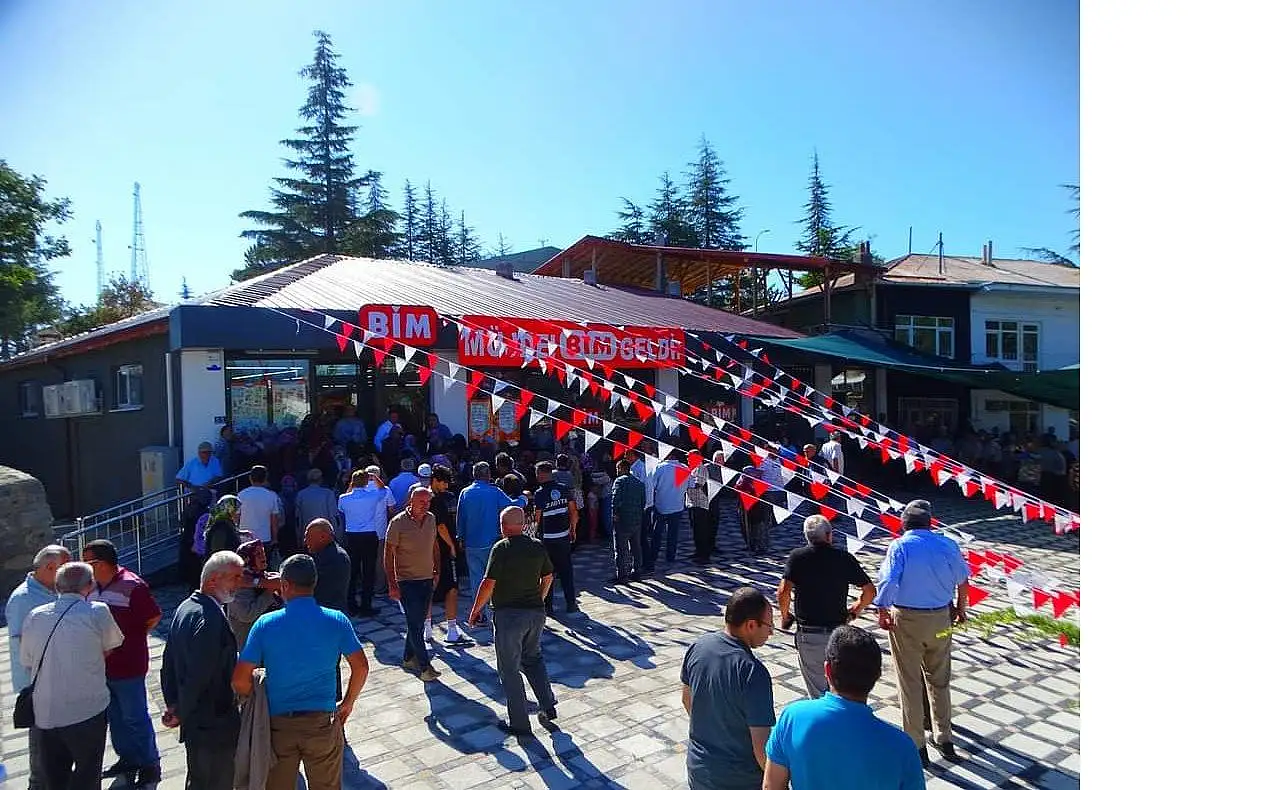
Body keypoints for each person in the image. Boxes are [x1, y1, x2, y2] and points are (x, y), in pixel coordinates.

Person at [233, 554, 369, 790]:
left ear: (284, 585)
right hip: (322, 724)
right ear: (313, 583)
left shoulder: (265, 624)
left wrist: (254, 698)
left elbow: (239, 679)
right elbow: (361, 667)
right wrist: (348, 703)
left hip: (278, 728)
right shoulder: (337, 620)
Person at [763, 626, 924, 790]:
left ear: (827, 670)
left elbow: (771, 786)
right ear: (877, 676)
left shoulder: (792, 718)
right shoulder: (902, 746)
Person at [874, 499, 970, 766]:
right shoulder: (947, 544)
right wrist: (961, 609)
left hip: (907, 621)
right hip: (940, 619)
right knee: (940, 679)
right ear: (930, 523)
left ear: (904, 524)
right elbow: (963, 580)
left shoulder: (900, 546)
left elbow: (888, 581)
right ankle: (944, 736)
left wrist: (882, 610)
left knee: (909, 682)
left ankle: (916, 744)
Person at [20, 562, 124, 790]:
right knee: (88, 773)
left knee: (54, 777)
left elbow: (27, 660)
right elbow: (111, 645)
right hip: (86, 709)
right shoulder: (97, 612)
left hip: (47, 711)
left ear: (57, 586)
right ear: (90, 585)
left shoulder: (35, 616)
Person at [467, 506, 557, 737]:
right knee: (533, 659)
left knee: (509, 670)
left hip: (509, 617)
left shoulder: (501, 548)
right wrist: (540, 598)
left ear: (502, 526)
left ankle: (519, 723)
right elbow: (548, 576)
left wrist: (475, 610)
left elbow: (488, 583)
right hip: (535, 614)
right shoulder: (537, 546)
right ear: (524, 524)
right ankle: (548, 705)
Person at [160, 551, 245, 790]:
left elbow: (169, 663)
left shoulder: (186, 607)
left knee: (199, 779)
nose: (239, 584)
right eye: (235, 577)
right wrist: (179, 710)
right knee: (215, 781)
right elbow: (199, 674)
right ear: (213, 580)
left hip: (198, 720)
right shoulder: (209, 619)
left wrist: (174, 703)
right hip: (212, 723)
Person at [81, 539, 163, 786]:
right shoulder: (90, 586)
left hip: (128, 666)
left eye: (87, 562)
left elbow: (153, 617)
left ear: (101, 564)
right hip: (102, 668)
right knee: (116, 718)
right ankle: (127, 758)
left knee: (135, 717)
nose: (84, 566)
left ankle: (150, 764)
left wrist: (131, 639)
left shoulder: (132, 586)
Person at [681, 586, 776, 790]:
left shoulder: (698, 646)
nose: (771, 632)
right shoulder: (753, 672)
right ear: (751, 625)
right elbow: (761, 748)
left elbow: (687, 700)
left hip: (699, 770)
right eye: (769, 625)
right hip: (739, 780)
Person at [777, 515, 876, 698]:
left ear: (807, 536)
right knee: (842, 689)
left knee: (817, 693)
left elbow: (783, 592)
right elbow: (869, 591)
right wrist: (855, 609)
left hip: (809, 634)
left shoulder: (797, 557)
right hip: (838, 633)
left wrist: (785, 616)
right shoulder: (843, 558)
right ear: (829, 535)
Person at [6, 545, 71, 790]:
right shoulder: (24, 599)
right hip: (38, 684)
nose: (67, 573)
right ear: (50, 567)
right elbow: (24, 645)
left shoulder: (54, 590)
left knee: (57, 739)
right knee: (41, 742)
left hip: (57, 680)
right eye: (64, 568)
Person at [384, 486, 443, 682]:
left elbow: (434, 544)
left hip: (426, 578)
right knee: (416, 624)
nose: (425, 505)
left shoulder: (431, 519)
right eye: (421, 502)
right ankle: (425, 667)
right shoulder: (398, 523)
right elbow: (388, 554)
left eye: (428, 502)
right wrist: (392, 584)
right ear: (411, 501)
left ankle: (408, 658)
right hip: (406, 581)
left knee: (416, 622)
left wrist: (437, 569)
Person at [456, 461, 527, 623]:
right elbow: (512, 507)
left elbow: (460, 518)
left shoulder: (465, 493)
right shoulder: (494, 492)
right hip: (492, 543)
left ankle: (479, 613)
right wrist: (524, 498)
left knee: (476, 579)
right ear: (488, 475)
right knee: (494, 578)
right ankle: (493, 614)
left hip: (471, 543)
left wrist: (461, 537)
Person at [338, 469, 394, 616]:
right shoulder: (372, 496)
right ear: (365, 482)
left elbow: (341, 510)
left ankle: (351, 603)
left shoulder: (343, 498)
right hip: (369, 535)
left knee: (353, 570)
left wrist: (351, 486)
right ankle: (366, 605)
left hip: (352, 536)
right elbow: (383, 489)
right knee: (368, 571)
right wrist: (375, 477)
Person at [532, 460, 580, 616]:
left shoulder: (540, 493)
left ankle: (548, 607)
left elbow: (537, 518)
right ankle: (571, 603)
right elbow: (573, 511)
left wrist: (534, 535)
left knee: (547, 573)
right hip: (563, 536)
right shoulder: (564, 489)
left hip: (547, 539)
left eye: (537, 473)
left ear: (541, 474)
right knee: (566, 571)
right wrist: (573, 529)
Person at [427, 464, 467, 644]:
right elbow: (441, 526)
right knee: (452, 588)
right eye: (444, 482)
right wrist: (451, 546)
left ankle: (427, 630)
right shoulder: (436, 501)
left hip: (427, 549)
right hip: (443, 549)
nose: (446, 486)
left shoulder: (424, 497)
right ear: (435, 480)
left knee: (428, 587)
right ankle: (451, 629)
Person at [226, 540, 282, 650]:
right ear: (248, 559)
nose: (263, 557)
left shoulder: (265, 577)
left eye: (263, 553)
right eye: (258, 554)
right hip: (247, 646)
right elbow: (246, 615)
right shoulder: (238, 585)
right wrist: (269, 592)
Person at [304, 519, 352, 614]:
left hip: (329, 614)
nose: (305, 541)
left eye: (308, 537)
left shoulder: (335, 557)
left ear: (323, 537)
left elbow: (306, 585)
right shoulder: (325, 554)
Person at [609, 459, 646, 583]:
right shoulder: (639, 483)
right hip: (636, 519)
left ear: (621, 468)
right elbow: (643, 502)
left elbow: (615, 499)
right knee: (636, 547)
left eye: (617, 468)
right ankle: (637, 572)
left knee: (621, 549)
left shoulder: (619, 481)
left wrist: (614, 514)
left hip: (622, 519)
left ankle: (622, 575)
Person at [237, 465, 283, 554]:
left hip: (244, 539)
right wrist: (275, 539)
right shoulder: (271, 496)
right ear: (265, 479)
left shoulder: (241, 495)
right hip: (264, 538)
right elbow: (274, 520)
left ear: (250, 478)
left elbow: (236, 518)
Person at [296, 468, 340, 544]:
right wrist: (337, 537)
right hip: (325, 535)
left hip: (307, 536)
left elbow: (298, 519)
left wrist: (299, 537)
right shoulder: (328, 494)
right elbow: (333, 516)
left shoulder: (300, 495)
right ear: (321, 479)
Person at [686, 455, 712, 565]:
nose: (687, 459)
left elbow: (698, 484)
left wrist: (684, 481)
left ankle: (704, 555)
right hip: (693, 503)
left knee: (701, 531)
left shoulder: (701, 468)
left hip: (700, 504)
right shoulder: (692, 468)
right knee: (696, 530)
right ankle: (698, 551)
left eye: (689, 457)